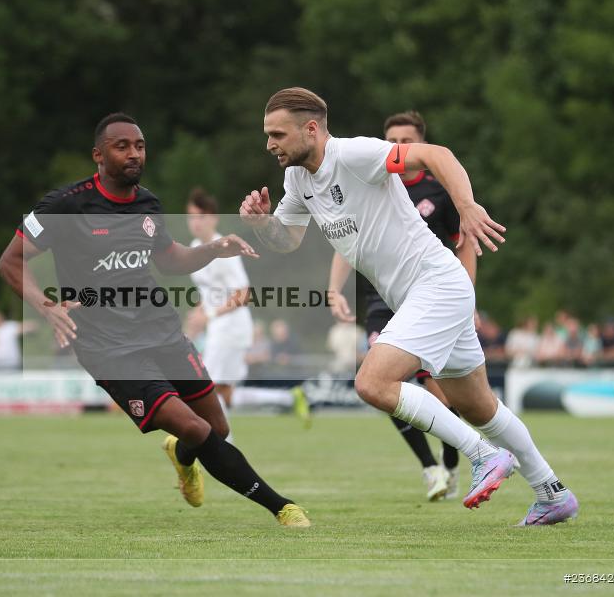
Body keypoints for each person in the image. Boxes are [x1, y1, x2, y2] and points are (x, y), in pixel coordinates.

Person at [240, 87, 577, 525]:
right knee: (479, 407)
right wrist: (262, 224)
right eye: (268, 135)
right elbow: (287, 240)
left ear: (310, 128)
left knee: (372, 383)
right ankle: (552, 493)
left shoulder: (355, 154)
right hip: (421, 296)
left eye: (277, 134)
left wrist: (467, 206)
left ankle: (482, 456)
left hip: (437, 285)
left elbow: (438, 155)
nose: (270, 144)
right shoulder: (298, 180)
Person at [0, 112, 308, 527]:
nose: (133, 153)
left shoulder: (148, 204)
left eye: (139, 146)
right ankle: (281, 507)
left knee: (217, 426)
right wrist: (47, 306)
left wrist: (214, 248)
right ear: (98, 155)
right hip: (110, 349)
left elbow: (171, 259)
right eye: (121, 146)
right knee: (196, 429)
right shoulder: (66, 205)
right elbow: (10, 261)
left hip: (161, 331)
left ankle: (180, 457)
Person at [327, 110, 476, 502]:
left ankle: (452, 461)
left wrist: (467, 298)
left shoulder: (439, 191)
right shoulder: (370, 181)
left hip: (429, 295)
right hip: (383, 299)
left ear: (419, 143)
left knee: (441, 390)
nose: (398, 147)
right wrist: (333, 288)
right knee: (378, 379)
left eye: (406, 140)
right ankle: (430, 469)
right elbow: (346, 237)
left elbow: (465, 245)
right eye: (391, 140)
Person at [186, 188, 254, 443]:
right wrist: (197, 318)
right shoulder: (194, 248)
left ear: (213, 218)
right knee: (224, 393)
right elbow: (208, 295)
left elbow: (244, 293)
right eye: (191, 216)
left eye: (201, 216)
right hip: (217, 327)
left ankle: (225, 447)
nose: (195, 222)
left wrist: (210, 315)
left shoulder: (224, 248)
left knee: (208, 387)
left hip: (232, 327)